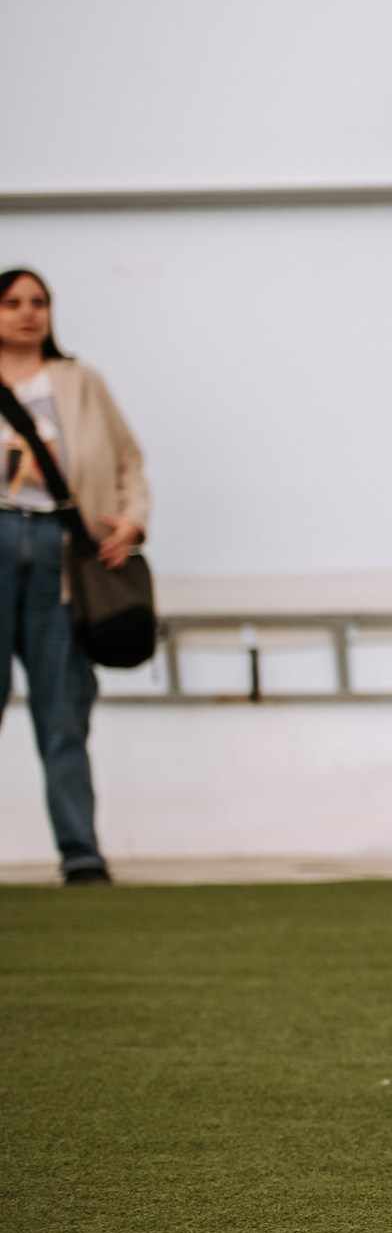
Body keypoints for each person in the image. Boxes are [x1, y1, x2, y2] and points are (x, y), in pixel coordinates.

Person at [0, 268, 149, 885]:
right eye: (12, 302)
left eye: (39, 302)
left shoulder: (79, 382)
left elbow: (127, 461)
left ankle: (80, 853)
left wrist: (132, 523)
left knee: (63, 709)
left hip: (60, 550)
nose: (27, 313)